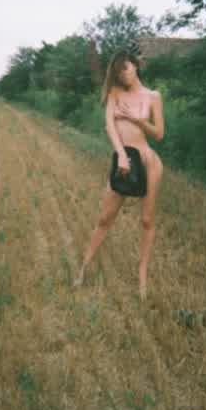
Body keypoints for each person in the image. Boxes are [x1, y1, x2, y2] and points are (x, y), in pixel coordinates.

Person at [74, 48, 164, 300]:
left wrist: (137, 120)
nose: (123, 74)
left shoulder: (153, 96)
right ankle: (83, 268)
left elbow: (159, 134)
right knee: (105, 218)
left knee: (147, 220)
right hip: (124, 160)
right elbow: (109, 126)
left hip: (148, 161)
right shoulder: (115, 93)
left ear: (135, 65)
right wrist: (121, 155)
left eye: (126, 68)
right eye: (118, 71)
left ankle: (142, 276)